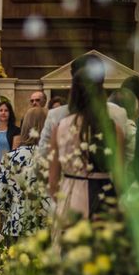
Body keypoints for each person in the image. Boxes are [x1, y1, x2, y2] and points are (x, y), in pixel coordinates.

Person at [48, 68, 125, 225]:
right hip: (105, 200)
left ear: (73, 94)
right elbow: (120, 178)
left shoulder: (60, 127)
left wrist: (63, 201)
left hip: (71, 199)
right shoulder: (113, 128)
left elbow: (53, 181)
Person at [38, 54, 130, 159]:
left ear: (73, 80)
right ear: (102, 80)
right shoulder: (118, 113)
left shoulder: (56, 115)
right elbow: (127, 157)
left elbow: (44, 156)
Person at [0, 107, 49, 243]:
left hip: (17, 224)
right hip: (47, 226)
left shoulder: (10, 158)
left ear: (24, 127)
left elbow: (1, 200)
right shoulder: (55, 157)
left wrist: (15, 211)